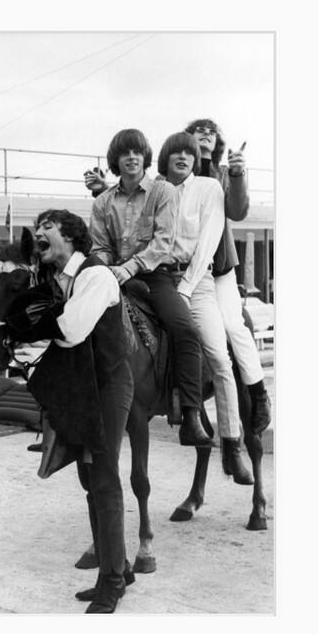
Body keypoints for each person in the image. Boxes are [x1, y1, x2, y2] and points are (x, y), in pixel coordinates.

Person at [5, 209, 134, 614]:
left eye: (48, 227)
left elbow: (72, 330)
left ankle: (112, 581)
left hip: (107, 386)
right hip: (79, 386)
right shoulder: (54, 280)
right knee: (89, 480)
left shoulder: (96, 276)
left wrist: (29, 329)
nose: (38, 233)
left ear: (72, 238)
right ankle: (118, 566)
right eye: (38, 227)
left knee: (104, 479)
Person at [87, 128, 214, 448]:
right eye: (124, 153)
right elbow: (100, 245)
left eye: (137, 152)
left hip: (155, 275)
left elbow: (163, 242)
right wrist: (103, 269)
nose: (131, 157)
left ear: (145, 158)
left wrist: (127, 268)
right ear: (115, 160)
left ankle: (190, 413)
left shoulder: (163, 191)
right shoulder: (103, 201)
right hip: (113, 276)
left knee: (184, 329)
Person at [154, 132, 253, 483]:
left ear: (197, 159)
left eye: (189, 153)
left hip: (198, 282)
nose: (182, 157)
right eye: (175, 152)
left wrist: (185, 288)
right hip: (157, 278)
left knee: (219, 356)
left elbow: (208, 243)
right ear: (163, 158)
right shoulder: (156, 189)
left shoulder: (209, 189)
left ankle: (231, 442)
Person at [183, 119, 271, 434]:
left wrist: (236, 174)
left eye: (212, 131)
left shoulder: (222, 173)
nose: (206, 133)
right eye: (199, 129)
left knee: (234, 324)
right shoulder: (173, 174)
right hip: (178, 270)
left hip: (217, 270)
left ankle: (258, 394)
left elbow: (237, 210)